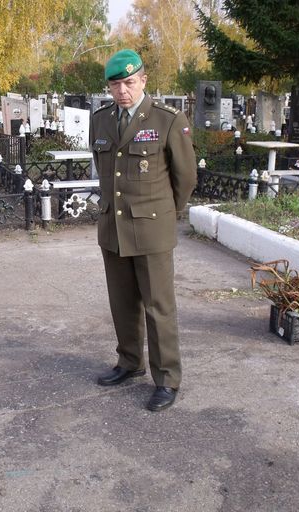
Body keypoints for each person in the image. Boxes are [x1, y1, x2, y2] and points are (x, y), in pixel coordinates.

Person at [89, 49, 197, 411]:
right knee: (122, 303)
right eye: (115, 84)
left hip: (151, 229)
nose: (122, 91)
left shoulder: (167, 119)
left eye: (129, 82)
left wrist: (165, 213)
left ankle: (166, 378)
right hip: (113, 227)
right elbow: (105, 171)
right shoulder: (101, 120)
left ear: (144, 80)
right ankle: (129, 362)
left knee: (158, 306)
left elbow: (185, 178)